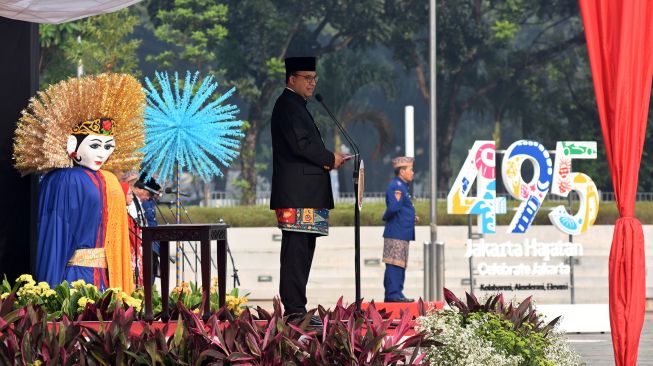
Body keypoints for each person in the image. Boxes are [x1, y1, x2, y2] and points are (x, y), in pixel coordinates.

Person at [13, 73, 145, 293]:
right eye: (95, 145)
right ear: (72, 144)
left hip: (105, 278)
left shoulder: (108, 180)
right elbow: (56, 236)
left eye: (108, 146)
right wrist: (51, 290)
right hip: (79, 279)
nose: (102, 153)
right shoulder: (65, 180)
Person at [270, 56, 346, 324]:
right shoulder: (288, 106)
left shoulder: (298, 106)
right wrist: (329, 158)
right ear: (292, 79)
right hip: (296, 194)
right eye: (307, 78)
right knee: (296, 253)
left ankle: (297, 307)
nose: (312, 83)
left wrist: (327, 161)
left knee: (303, 252)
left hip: (305, 194)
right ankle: (294, 311)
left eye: (314, 78)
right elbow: (301, 146)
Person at [382, 156, 417, 302]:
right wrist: (385, 217)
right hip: (396, 231)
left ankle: (398, 293)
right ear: (401, 171)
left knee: (400, 263)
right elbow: (394, 208)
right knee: (394, 264)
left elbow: (401, 208)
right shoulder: (396, 186)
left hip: (402, 232)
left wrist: (411, 216)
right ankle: (393, 294)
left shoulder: (401, 186)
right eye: (410, 169)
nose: (412, 172)